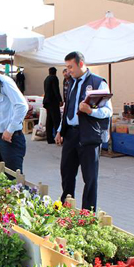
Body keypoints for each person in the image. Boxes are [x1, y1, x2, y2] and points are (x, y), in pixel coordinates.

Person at [56, 51, 112, 212]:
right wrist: (61, 130)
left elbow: (107, 111)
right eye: (66, 67)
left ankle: (87, 214)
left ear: (81, 64)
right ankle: (66, 209)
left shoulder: (98, 82)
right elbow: (68, 109)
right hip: (71, 135)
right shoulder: (71, 83)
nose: (68, 71)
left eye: (70, 67)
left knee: (90, 178)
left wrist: (91, 111)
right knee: (66, 173)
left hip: (88, 136)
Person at [43, 67, 62, 144]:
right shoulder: (54, 78)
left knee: (49, 120)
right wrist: (60, 100)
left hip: (47, 101)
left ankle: (49, 138)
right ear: (55, 72)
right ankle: (58, 137)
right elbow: (56, 90)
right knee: (56, 119)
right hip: (53, 101)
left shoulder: (46, 79)